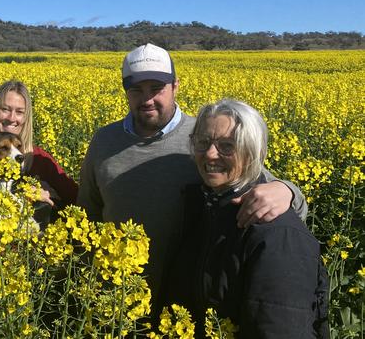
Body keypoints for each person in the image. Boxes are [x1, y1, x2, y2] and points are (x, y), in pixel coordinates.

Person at [77, 43, 307, 308]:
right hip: (114, 299)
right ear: (125, 91)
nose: (147, 99)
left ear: (175, 85)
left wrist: (286, 190)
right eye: (136, 89)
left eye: (156, 88)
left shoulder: (205, 138)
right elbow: (88, 213)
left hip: (185, 305)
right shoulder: (104, 141)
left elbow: (259, 182)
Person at [165, 99, 328, 338]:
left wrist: (288, 189)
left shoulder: (277, 230)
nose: (211, 154)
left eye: (227, 146)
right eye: (203, 143)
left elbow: (278, 327)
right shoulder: (204, 207)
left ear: (252, 153)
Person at [0, 80, 78, 220]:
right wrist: (25, 196)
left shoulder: (39, 157)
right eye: (5, 109)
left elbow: (78, 197)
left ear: (26, 118)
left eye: (19, 112)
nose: (12, 118)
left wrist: (48, 197)